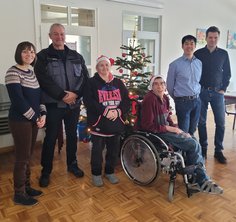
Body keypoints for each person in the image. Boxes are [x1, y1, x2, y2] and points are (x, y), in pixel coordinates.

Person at [141, 75, 223, 194]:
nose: (160, 86)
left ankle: (193, 175)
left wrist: (178, 129)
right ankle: (202, 180)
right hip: (156, 133)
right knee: (192, 145)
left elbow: (167, 118)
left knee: (192, 138)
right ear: (151, 86)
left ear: (165, 86)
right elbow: (147, 125)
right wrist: (171, 129)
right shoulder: (149, 99)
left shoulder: (165, 98)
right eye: (156, 84)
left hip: (165, 130)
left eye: (162, 83)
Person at [34, 23, 89, 187]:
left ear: (65, 36)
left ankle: (72, 165)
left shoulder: (76, 56)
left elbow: (84, 78)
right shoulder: (42, 56)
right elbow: (43, 80)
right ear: (50, 36)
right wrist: (62, 95)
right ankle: (46, 171)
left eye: (62, 34)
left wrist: (76, 94)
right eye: (56, 34)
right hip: (53, 105)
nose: (59, 37)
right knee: (50, 138)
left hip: (73, 105)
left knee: (72, 136)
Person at [5, 41, 47, 206]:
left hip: (33, 120)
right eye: (25, 52)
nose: (29, 54)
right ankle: (19, 193)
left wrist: (43, 114)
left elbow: (39, 98)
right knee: (22, 158)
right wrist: (35, 117)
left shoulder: (32, 72)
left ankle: (27, 187)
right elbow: (18, 101)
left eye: (32, 52)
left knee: (28, 156)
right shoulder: (12, 72)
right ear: (18, 53)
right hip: (20, 120)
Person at [83, 55, 130, 187]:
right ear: (97, 67)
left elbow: (126, 100)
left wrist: (118, 111)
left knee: (113, 151)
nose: (104, 67)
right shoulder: (91, 82)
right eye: (101, 65)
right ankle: (96, 174)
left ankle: (109, 172)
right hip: (99, 123)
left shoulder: (118, 83)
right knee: (97, 151)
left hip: (116, 123)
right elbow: (88, 101)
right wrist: (105, 111)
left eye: (107, 65)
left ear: (110, 67)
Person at [194, 26, 231, 163]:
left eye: (215, 37)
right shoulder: (198, 53)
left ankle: (218, 151)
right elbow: (194, 73)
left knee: (221, 123)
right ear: (206, 37)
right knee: (201, 122)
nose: (213, 40)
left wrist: (223, 88)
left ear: (218, 38)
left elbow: (227, 73)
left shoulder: (223, 54)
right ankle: (203, 149)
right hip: (202, 92)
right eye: (210, 37)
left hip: (217, 93)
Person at [167, 35, 202, 136]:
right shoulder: (175, 64)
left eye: (192, 44)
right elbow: (169, 86)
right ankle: (182, 151)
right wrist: (178, 98)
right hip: (182, 102)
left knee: (192, 130)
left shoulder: (199, 63)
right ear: (182, 46)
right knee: (183, 132)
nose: (189, 46)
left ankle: (190, 152)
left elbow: (198, 81)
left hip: (197, 101)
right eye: (186, 44)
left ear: (195, 46)